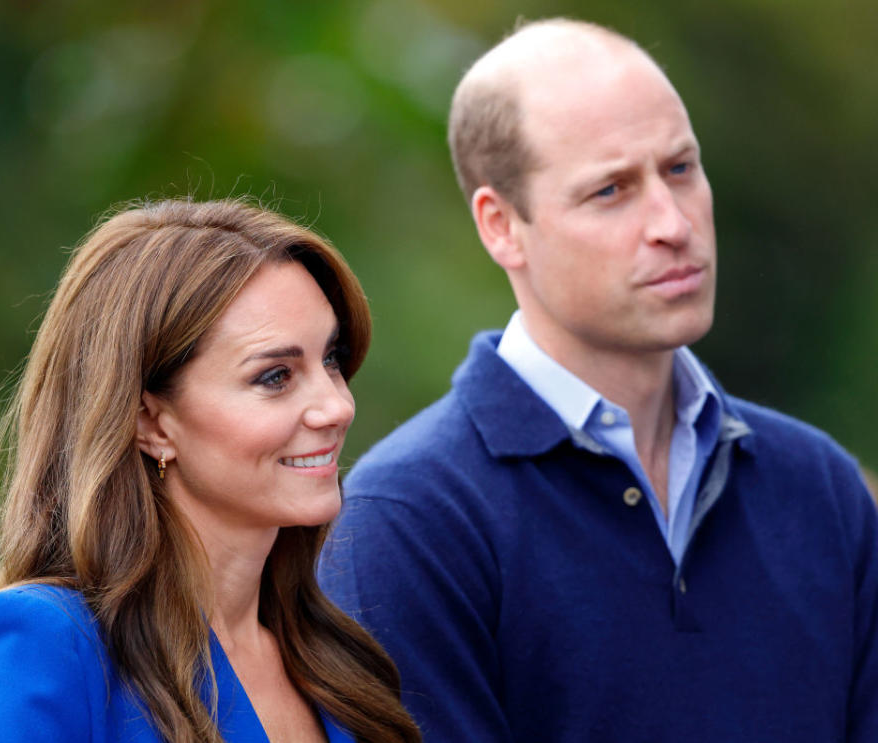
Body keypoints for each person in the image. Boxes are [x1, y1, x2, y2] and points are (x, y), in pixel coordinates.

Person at [318, 18, 878, 743]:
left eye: (680, 168)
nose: (671, 222)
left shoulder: (822, 490)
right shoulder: (406, 522)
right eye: (611, 190)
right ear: (501, 227)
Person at [0, 199, 421, 743]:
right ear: (150, 421)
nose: (336, 406)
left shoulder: (338, 659)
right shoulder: (45, 645)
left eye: (331, 359)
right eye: (276, 376)